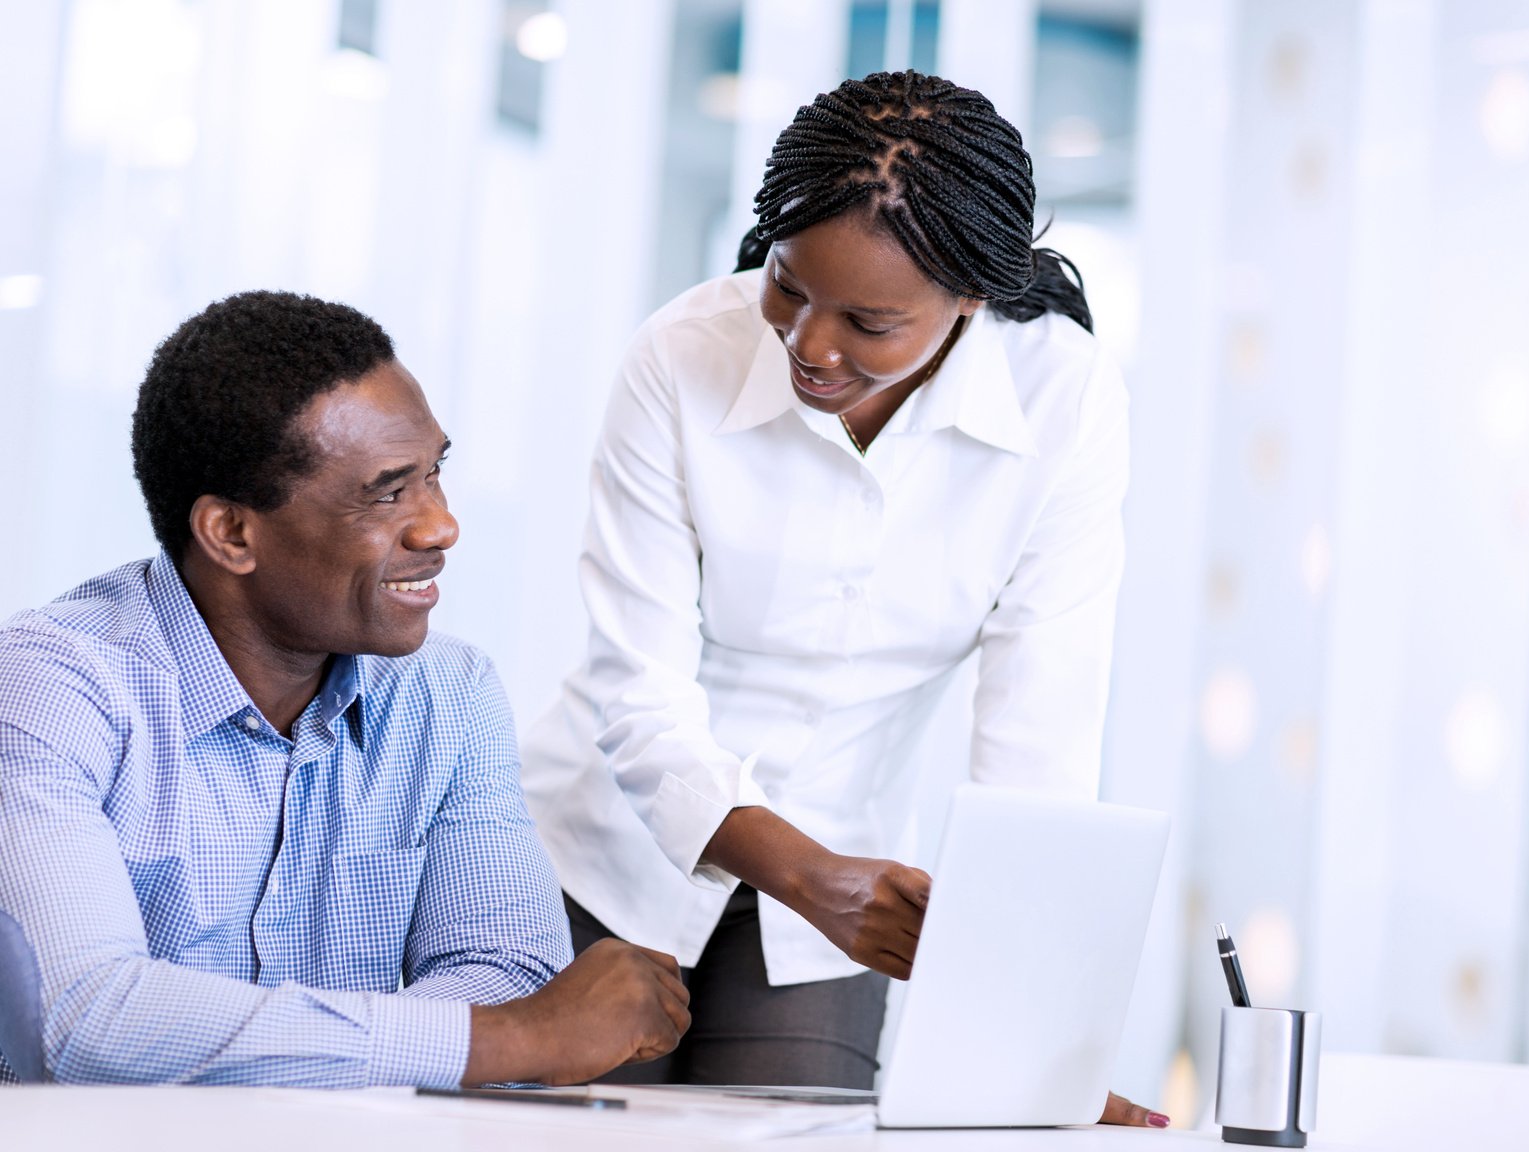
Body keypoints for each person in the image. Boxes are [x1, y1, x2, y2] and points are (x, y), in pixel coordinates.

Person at [520, 72, 1162, 1126]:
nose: (810, 346)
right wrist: (811, 876)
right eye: (786, 287)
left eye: (867, 321)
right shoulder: (679, 358)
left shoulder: (1066, 400)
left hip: (838, 889)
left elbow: (1038, 742)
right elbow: (632, 690)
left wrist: (1032, 1047)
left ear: (972, 298)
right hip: (602, 853)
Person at [0, 291, 689, 1086]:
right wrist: (494, 1043)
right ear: (231, 533)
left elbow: (506, 973)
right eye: (388, 492)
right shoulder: (48, 687)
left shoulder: (449, 693)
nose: (440, 527)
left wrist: (495, 1032)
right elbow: (84, 1020)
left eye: (435, 473)